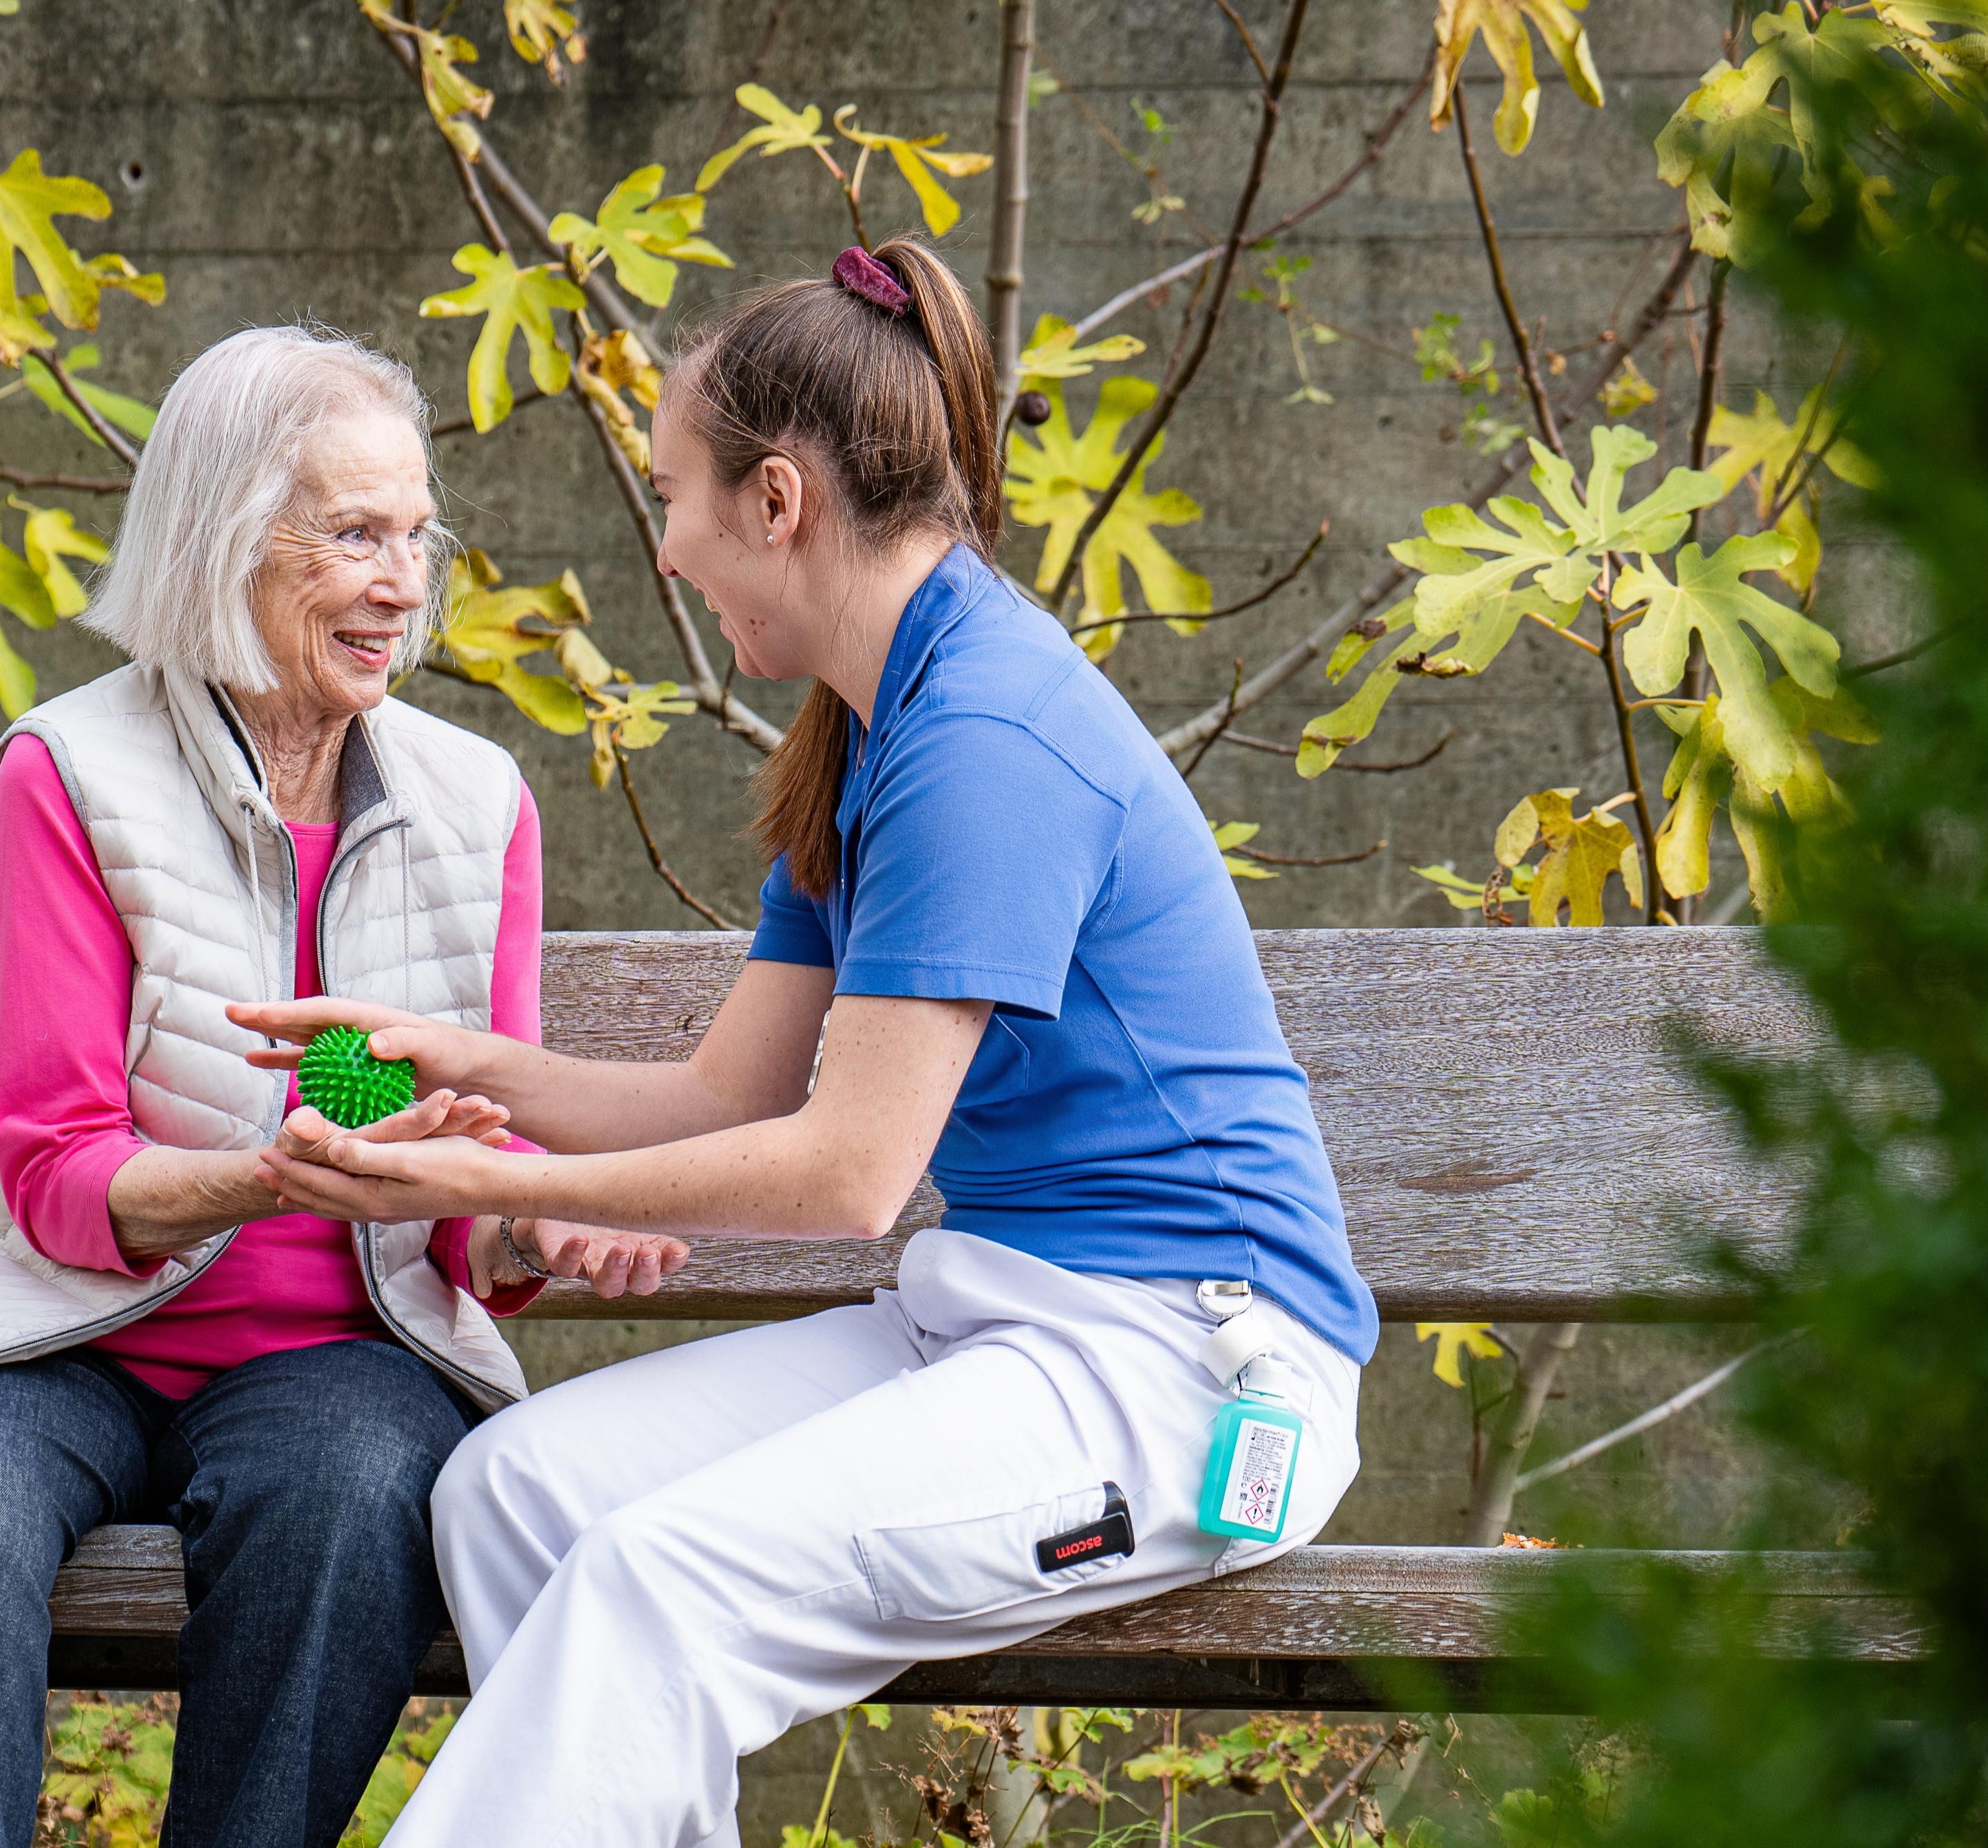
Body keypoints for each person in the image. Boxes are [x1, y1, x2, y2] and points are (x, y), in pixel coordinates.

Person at [238, 243, 1378, 1848]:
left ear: (777, 500)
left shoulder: (982, 739)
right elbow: (727, 1095)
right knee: (518, 1497)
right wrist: (459, 1065)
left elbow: (846, 1174)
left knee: (653, 1578)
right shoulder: (867, 721)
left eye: (677, 498)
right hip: (994, 1323)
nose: (671, 546)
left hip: (1175, 1374)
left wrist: (441, 1178)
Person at [0, 326, 687, 1848]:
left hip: (330, 1351)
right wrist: (268, 1173)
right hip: (29, 1332)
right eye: (349, 536)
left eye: (414, 537)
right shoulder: (65, 777)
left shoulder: (472, 803)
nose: (400, 583)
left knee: (353, 1494)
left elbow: (434, 1152)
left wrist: (530, 1227)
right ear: (220, 538)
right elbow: (63, 1175)